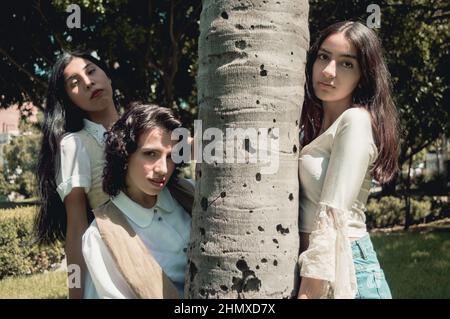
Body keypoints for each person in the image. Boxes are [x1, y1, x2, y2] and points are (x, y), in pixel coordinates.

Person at [297, 21, 400, 299]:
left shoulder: (354, 122)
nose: (328, 71)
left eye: (346, 64)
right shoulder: (309, 130)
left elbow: (332, 218)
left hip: (347, 270)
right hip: (316, 269)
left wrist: (307, 294)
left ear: (362, 76)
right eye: (323, 57)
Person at [82, 103, 194, 299]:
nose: (163, 169)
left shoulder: (190, 192)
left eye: (169, 157)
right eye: (151, 154)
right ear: (124, 154)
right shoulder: (100, 236)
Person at [35, 51, 119, 298]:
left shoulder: (145, 127)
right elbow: (76, 229)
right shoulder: (75, 144)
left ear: (108, 76)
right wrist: (76, 293)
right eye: (75, 83)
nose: (88, 82)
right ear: (69, 100)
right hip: (117, 269)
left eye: (91, 71)